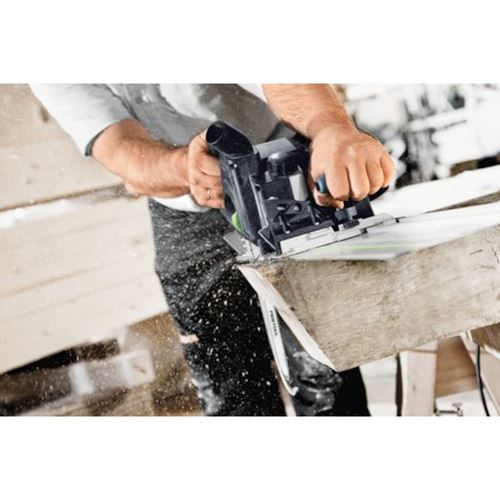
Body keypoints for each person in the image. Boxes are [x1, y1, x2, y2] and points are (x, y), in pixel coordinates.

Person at [31, 84, 395, 416]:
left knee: (325, 380)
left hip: (279, 166)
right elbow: (120, 148)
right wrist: (187, 168)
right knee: (228, 391)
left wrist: (329, 126)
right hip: (182, 204)